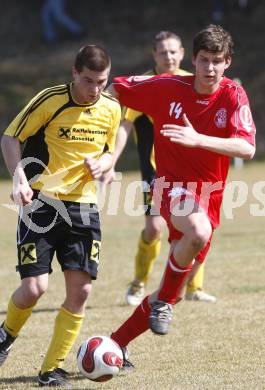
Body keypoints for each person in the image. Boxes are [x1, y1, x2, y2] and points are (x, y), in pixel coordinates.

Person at [107, 24, 255, 365]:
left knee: (170, 293)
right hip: (171, 187)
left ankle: (115, 343)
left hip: (211, 197)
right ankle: (152, 303)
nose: (209, 69)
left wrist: (198, 139)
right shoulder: (166, 86)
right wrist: (101, 148)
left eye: (217, 61)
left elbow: (247, 147)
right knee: (197, 232)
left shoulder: (233, 95)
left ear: (228, 61)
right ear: (193, 59)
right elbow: (111, 89)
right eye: (203, 60)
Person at [0, 45, 121, 388]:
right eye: (89, 81)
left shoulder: (110, 109)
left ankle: (52, 369)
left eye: (102, 82)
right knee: (34, 289)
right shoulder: (50, 99)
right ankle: (7, 331)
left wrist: (103, 164)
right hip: (42, 204)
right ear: (74, 73)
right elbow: (9, 138)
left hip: (84, 207)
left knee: (82, 291)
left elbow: (108, 152)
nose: (95, 90)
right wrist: (18, 176)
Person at [102, 31, 216, 306]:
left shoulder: (193, 81)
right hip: (156, 172)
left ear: (182, 54)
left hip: (190, 171)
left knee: (201, 227)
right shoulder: (147, 84)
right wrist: (111, 161)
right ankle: (139, 283)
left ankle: (194, 286)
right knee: (154, 229)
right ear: (154, 55)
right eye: (163, 52)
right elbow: (125, 124)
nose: (169, 57)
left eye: (174, 51)